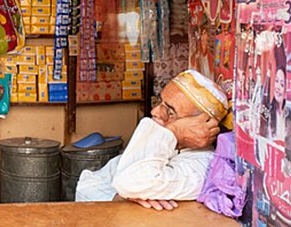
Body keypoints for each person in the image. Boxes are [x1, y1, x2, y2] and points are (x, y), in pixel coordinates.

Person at [75, 70, 231, 210]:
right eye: (159, 101)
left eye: (170, 111)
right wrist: (118, 198)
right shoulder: (163, 144)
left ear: (201, 126)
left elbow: (129, 181)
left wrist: (174, 131)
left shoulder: (201, 166)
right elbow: (86, 186)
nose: (154, 111)